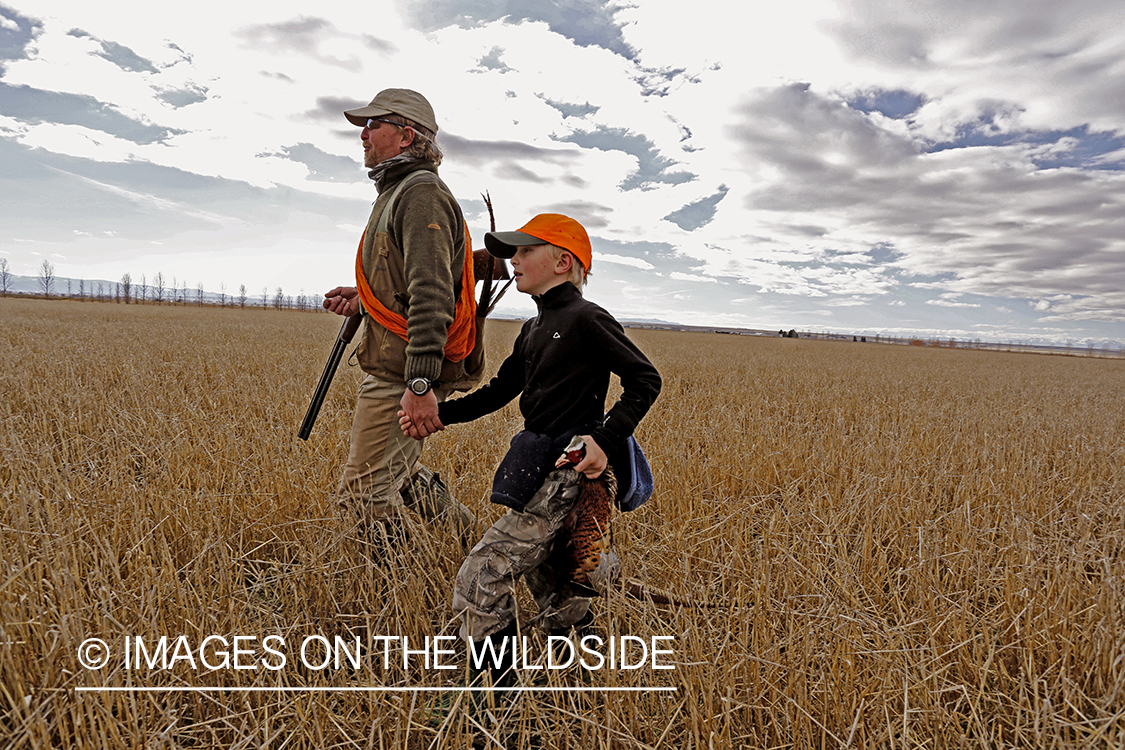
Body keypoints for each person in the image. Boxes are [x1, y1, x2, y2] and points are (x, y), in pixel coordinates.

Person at [398, 213, 662, 685]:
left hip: (567, 469)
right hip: (536, 465)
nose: (512, 262)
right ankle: (585, 680)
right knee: (554, 581)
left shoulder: (587, 318)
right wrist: (439, 414)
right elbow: (501, 390)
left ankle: (493, 700)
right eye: (512, 252)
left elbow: (645, 379)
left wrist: (604, 437)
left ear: (562, 262)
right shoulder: (533, 328)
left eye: (523, 252)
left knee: (482, 575)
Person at [323, 88, 478, 543]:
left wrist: (420, 384)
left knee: (364, 493)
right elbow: (412, 282)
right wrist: (368, 297)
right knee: (403, 476)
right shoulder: (400, 191)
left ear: (406, 136)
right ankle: (474, 541)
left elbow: (432, 295)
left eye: (374, 126)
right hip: (399, 362)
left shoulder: (420, 193)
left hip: (403, 370)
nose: (364, 135)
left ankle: (394, 594)